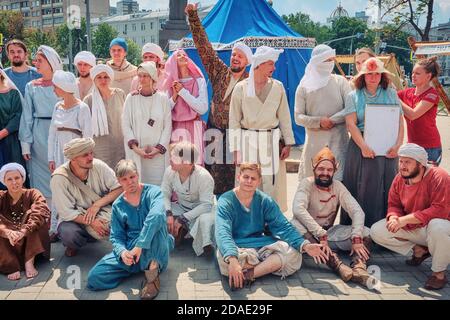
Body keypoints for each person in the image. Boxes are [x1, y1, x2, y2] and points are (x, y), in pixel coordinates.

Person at [215, 163, 326, 290]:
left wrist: (305, 245)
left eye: (253, 178)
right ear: (239, 177)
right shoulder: (226, 200)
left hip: (261, 243)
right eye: (246, 177)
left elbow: (283, 226)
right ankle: (265, 266)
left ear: (259, 181)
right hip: (237, 245)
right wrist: (233, 259)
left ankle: (250, 273)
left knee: (294, 253)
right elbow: (222, 232)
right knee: (224, 259)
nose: (249, 181)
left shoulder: (265, 200)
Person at [185, 3, 252, 196]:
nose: (235, 58)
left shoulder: (251, 83)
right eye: (233, 55)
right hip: (213, 133)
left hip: (235, 138)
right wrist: (193, 17)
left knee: (233, 181)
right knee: (211, 178)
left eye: (240, 56)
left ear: (247, 62)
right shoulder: (220, 72)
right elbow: (204, 47)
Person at [87, 159, 174, 299]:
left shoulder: (154, 192)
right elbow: (116, 236)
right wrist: (123, 253)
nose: (130, 182)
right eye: (124, 179)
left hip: (152, 239)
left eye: (132, 177)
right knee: (94, 278)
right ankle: (141, 263)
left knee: (156, 226)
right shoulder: (118, 205)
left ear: (138, 175)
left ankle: (152, 272)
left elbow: (156, 215)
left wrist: (140, 246)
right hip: (131, 248)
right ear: (119, 181)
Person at [371, 143, 450, 290]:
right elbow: (393, 204)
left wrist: (403, 220)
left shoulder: (439, 176)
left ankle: (438, 274)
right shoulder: (400, 178)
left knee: (437, 226)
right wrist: (394, 217)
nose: (402, 166)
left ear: (420, 164)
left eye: (407, 162)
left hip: (442, 226)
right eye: (401, 161)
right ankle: (420, 249)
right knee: (377, 231)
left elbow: (440, 210)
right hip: (417, 227)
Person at [291, 147, 372, 287]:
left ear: (335, 170)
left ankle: (359, 265)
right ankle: (336, 264)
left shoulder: (338, 186)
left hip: (328, 235)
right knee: (293, 224)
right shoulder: (307, 183)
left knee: (366, 232)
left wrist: (357, 238)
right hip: (308, 235)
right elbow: (298, 209)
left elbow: (357, 211)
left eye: (329, 170)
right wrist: (318, 232)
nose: (325, 173)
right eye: (321, 169)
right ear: (314, 168)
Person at [229, 46, 294, 212]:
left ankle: (270, 220)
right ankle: (245, 218)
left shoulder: (278, 87)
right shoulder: (241, 88)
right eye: (271, 64)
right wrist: (236, 149)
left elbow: (285, 117)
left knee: (270, 182)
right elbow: (234, 120)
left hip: (270, 140)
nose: (274, 68)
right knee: (247, 181)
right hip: (247, 140)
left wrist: (287, 143)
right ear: (259, 64)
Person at [342, 57, 404, 227]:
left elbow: (399, 122)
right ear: (362, 76)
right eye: (369, 73)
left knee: (387, 185)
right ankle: (358, 229)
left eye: (377, 73)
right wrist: (363, 146)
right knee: (361, 186)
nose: (373, 77)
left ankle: (385, 228)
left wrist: (398, 145)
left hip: (388, 146)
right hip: (360, 145)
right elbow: (351, 124)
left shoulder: (391, 93)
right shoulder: (352, 96)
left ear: (382, 76)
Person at [50, 138, 123, 257]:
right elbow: (66, 212)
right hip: (75, 218)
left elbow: (119, 188)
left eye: (91, 153)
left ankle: (94, 235)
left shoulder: (98, 166)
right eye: (85, 155)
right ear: (73, 158)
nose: (90, 158)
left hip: (101, 211)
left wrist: (97, 205)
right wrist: (92, 222)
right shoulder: (59, 178)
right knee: (69, 234)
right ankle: (74, 244)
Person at [19, 45, 62, 234]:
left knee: (61, 177)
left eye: (40, 60)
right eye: (35, 60)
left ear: (51, 63)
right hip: (38, 135)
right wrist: (25, 144)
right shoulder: (31, 86)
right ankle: (46, 223)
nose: (36, 63)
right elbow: (27, 115)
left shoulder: (64, 83)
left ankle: (62, 222)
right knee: (41, 180)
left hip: (60, 135)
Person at [295, 44, 351, 181]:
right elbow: (298, 117)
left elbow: (351, 108)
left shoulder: (341, 82)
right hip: (314, 145)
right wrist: (319, 122)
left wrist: (333, 120)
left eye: (332, 60)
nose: (330, 64)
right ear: (317, 62)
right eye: (326, 60)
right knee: (312, 184)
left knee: (337, 185)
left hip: (338, 143)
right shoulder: (304, 86)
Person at [161, 141, 215, 256]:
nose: (170, 159)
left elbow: (206, 205)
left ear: (188, 163)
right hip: (180, 207)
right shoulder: (169, 171)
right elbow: (164, 194)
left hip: (200, 211)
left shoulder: (204, 177)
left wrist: (183, 218)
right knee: (158, 210)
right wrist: (168, 213)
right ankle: (180, 231)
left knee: (206, 220)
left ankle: (205, 244)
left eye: (174, 157)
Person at [122, 62, 172, 185]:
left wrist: (158, 148)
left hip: (157, 154)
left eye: (146, 75)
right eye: (140, 75)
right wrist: (136, 149)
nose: (142, 79)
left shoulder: (162, 98)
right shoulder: (131, 98)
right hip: (137, 152)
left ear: (153, 77)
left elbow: (168, 126)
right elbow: (125, 124)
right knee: (138, 183)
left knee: (158, 186)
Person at [0, 163, 50, 280]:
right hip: (9, 240)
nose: (14, 182)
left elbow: (40, 210)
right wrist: (6, 231)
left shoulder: (33, 193)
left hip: (31, 238)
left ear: (23, 178)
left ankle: (29, 261)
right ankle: (11, 265)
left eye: (17, 178)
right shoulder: (1, 197)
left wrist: (24, 230)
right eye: (9, 179)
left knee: (34, 217)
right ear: (4, 182)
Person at [163, 49, 208, 165]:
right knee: (178, 163)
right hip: (176, 127)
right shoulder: (170, 83)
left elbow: (202, 108)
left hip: (195, 125)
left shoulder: (199, 81)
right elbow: (165, 110)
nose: (182, 56)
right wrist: (174, 96)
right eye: (178, 56)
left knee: (196, 163)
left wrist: (183, 92)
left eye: (184, 54)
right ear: (173, 62)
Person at [397, 57, 442, 165]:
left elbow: (413, 114)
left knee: (427, 180)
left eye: (417, 73)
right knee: (412, 180)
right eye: (413, 72)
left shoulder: (432, 94)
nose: (413, 75)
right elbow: (389, 94)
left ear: (428, 76)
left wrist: (396, 99)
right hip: (412, 146)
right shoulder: (407, 93)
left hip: (430, 147)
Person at [48, 70, 93, 172]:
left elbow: (88, 137)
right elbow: (52, 134)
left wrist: (84, 158)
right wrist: (51, 158)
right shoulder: (57, 107)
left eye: (55, 87)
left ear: (62, 88)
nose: (53, 90)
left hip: (76, 154)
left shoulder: (82, 108)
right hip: (58, 152)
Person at [83, 64, 126, 169]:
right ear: (94, 79)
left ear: (110, 78)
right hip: (100, 147)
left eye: (106, 77)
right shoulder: (89, 100)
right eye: (99, 77)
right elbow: (85, 127)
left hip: (119, 145)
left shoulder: (120, 94)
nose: (103, 80)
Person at [0, 69, 26, 181]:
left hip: (11, 141)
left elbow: (17, 116)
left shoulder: (12, 93)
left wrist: (2, 133)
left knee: (12, 174)